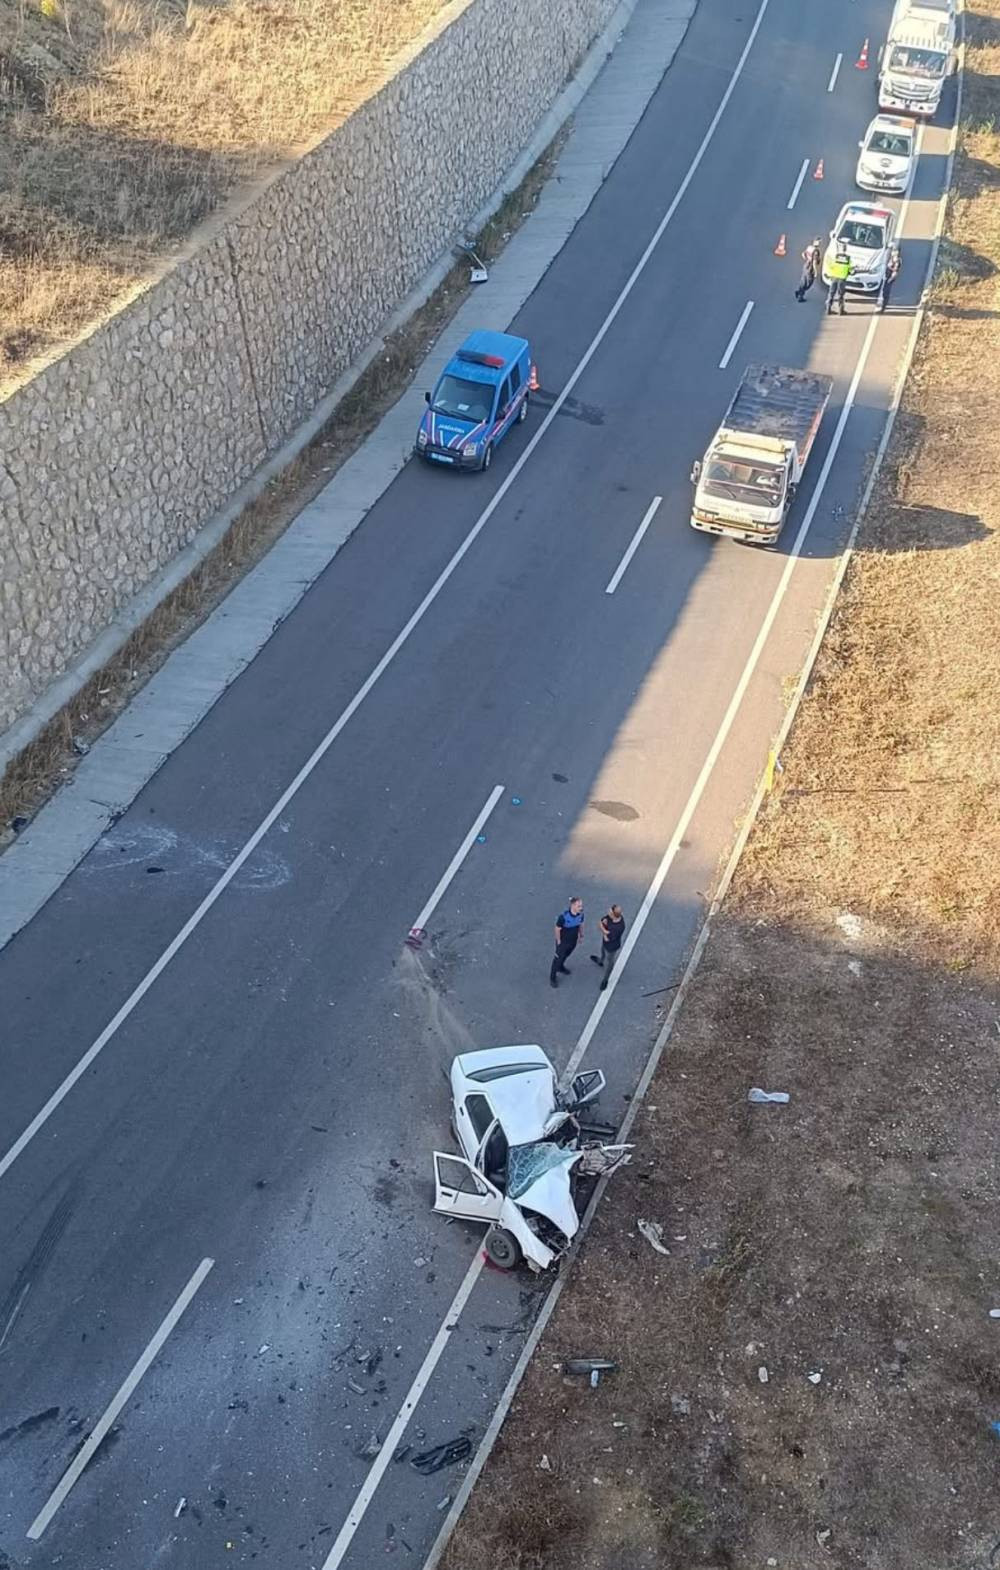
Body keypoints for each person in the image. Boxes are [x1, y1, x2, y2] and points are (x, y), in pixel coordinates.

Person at [550, 897, 584, 988]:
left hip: (572, 941)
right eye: (579, 906)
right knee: (557, 959)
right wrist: (558, 941)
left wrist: (581, 935)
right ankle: (552, 978)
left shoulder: (580, 915)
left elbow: (581, 924)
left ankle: (561, 967)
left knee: (566, 955)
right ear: (572, 905)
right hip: (563, 942)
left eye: (581, 906)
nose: (581, 908)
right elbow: (557, 929)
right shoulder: (563, 917)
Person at [590, 904, 626, 991]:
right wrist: (603, 926)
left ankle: (605, 980)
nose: (608, 912)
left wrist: (602, 927)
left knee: (609, 961)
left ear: (614, 914)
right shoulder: (610, 918)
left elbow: (606, 937)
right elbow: (602, 922)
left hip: (612, 946)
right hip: (606, 942)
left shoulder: (618, 927)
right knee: (602, 952)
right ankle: (600, 961)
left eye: (610, 911)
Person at [794, 237, 823, 303]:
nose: (819, 243)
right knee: (809, 283)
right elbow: (814, 262)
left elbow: (803, 254)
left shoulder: (809, 247)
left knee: (803, 281)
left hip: (805, 266)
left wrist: (807, 259)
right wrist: (815, 272)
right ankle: (800, 296)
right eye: (819, 242)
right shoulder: (816, 251)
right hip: (810, 268)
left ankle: (799, 292)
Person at [826, 247, 851, 315]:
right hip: (842, 278)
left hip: (834, 277)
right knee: (841, 294)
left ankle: (828, 308)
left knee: (831, 293)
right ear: (846, 250)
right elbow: (850, 269)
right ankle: (840, 310)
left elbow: (831, 266)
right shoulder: (848, 258)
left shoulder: (836, 257)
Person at [880, 244, 901, 312]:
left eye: (894, 250)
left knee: (886, 291)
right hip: (887, 276)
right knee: (884, 291)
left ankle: (883, 307)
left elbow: (895, 271)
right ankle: (884, 304)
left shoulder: (896, 260)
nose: (893, 252)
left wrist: (890, 279)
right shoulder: (892, 257)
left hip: (890, 277)